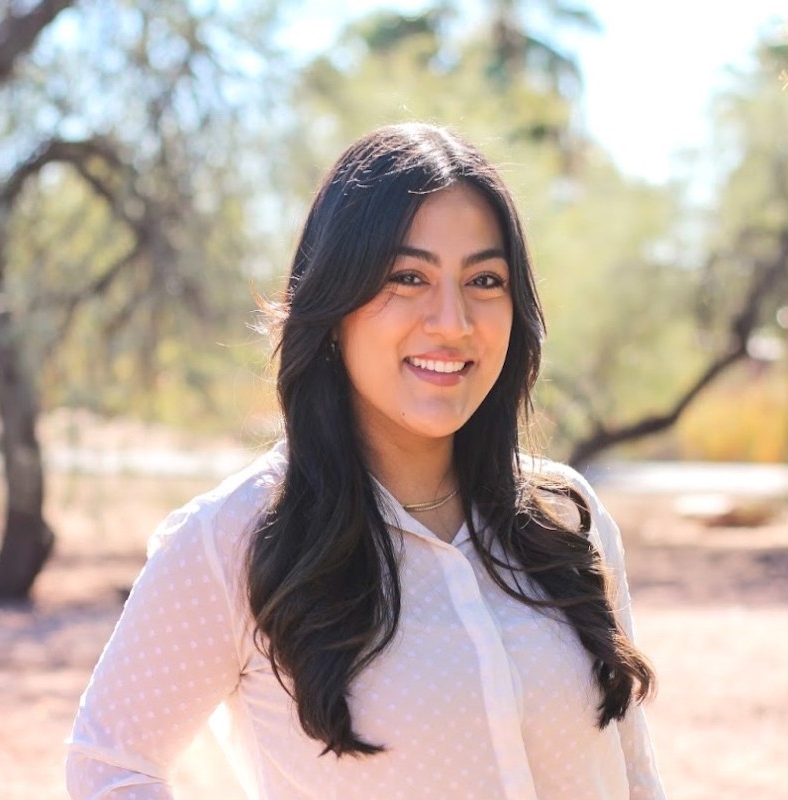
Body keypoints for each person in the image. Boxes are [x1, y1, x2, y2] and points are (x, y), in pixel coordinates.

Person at [66, 122, 666, 799]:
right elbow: (108, 767)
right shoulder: (234, 538)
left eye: (485, 279)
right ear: (336, 302)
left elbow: (635, 774)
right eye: (407, 277)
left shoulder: (565, 519)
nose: (452, 321)